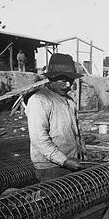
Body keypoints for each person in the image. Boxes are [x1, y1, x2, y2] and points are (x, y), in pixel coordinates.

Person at [25, 53, 86, 182]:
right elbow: (39, 138)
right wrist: (63, 160)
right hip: (51, 166)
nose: (68, 85)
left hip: (71, 161)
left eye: (70, 81)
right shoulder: (39, 100)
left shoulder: (69, 101)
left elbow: (76, 131)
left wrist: (81, 150)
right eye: (64, 81)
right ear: (52, 78)